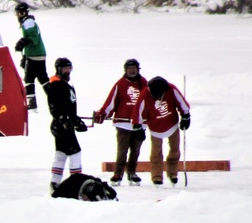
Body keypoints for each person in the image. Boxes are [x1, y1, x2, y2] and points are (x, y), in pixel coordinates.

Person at [93, 58, 149, 186]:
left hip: (139, 124)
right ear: (126, 70)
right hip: (122, 123)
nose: (132, 71)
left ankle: (132, 172)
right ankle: (118, 173)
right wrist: (102, 113)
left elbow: (149, 102)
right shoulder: (120, 84)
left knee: (135, 150)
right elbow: (111, 101)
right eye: (130, 68)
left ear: (138, 69)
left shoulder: (144, 83)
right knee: (122, 150)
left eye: (134, 68)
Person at [132, 75, 191, 186]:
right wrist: (137, 127)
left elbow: (182, 102)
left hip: (172, 124)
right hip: (155, 128)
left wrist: (185, 116)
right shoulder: (145, 94)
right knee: (156, 152)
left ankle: (173, 173)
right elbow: (137, 111)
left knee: (175, 149)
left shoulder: (171, 89)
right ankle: (157, 176)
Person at [44, 57, 88, 195]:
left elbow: (70, 108)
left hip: (65, 125)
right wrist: (63, 119)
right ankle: (76, 181)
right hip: (60, 125)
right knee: (75, 152)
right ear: (58, 69)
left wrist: (76, 121)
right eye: (65, 68)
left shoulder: (65, 85)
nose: (67, 71)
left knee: (61, 153)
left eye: (69, 68)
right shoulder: (55, 85)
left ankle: (55, 182)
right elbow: (54, 107)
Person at [13, 3, 47, 112]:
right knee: (42, 78)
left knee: (29, 78)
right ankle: (54, 97)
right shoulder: (28, 22)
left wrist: (24, 42)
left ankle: (32, 103)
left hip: (35, 54)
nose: (17, 15)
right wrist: (24, 56)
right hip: (37, 54)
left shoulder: (28, 22)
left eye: (18, 13)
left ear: (23, 12)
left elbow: (34, 38)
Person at [51, 172, 118, 201]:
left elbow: (113, 194)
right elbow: (54, 196)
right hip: (67, 186)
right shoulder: (69, 188)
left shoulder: (99, 186)